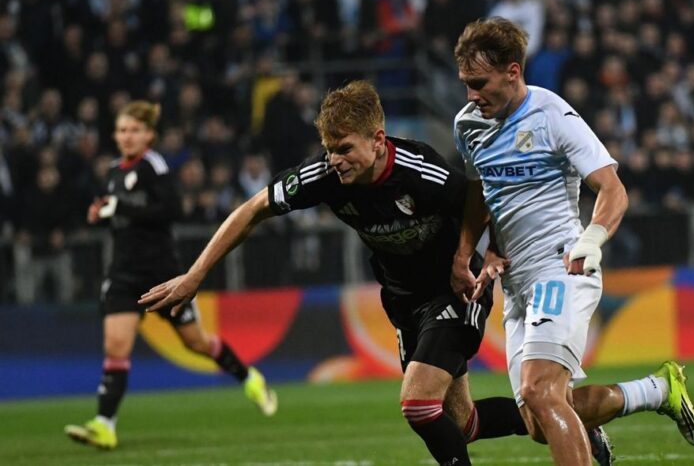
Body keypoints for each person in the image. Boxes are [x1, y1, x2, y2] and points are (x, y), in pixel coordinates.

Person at [139, 82, 551, 466]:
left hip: (454, 290)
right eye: (329, 148)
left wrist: (468, 257)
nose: (335, 160)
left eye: (345, 148)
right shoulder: (326, 176)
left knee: (418, 404)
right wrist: (194, 276)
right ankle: (564, 416)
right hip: (404, 302)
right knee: (462, 422)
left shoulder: (420, 170)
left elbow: (480, 200)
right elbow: (253, 209)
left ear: (377, 139)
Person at [450, 17, 694, 466]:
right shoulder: (468, 124)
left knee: (538, 391)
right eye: (465, 83)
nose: (471, 95)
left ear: (513, 71)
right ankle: (658, 390)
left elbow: (612, 188)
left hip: (561, 267)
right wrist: (468, 252)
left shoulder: (553, 116)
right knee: (536, 420)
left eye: (479, 83)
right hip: (517, 286)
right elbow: (480, 191)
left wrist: (593, 238)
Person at [64, 101, 277, 451]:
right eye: (122, 130)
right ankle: (104, 425)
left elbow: (170, 210)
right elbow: (122, 216)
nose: (127, 136)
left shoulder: (154, 167)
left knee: (196, 343)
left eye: (134, 130)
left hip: (161, 275)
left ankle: (249, 377)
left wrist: (123, 207)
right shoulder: (116, 170)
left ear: (149, 135)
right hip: (123, 273)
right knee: (115, 345)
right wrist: (102, 214)